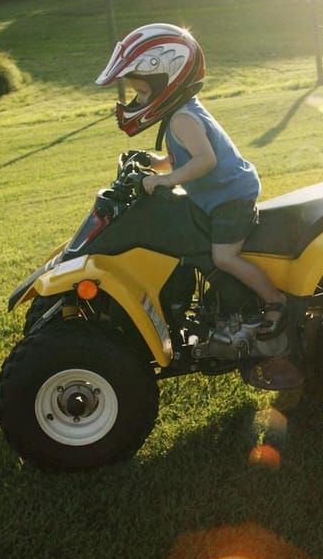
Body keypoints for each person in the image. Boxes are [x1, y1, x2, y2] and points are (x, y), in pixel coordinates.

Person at [95, 23, 288, 337]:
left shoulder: (183, 118)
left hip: (231, 198)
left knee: (223, 257)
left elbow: (205, 160)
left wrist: (167, 180)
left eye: (142, 91)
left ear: (166, 83)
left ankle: (274, 301)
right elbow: (183, 156)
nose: (138, 99)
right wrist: (155, 164)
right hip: (217, 197)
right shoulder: (180, 113)